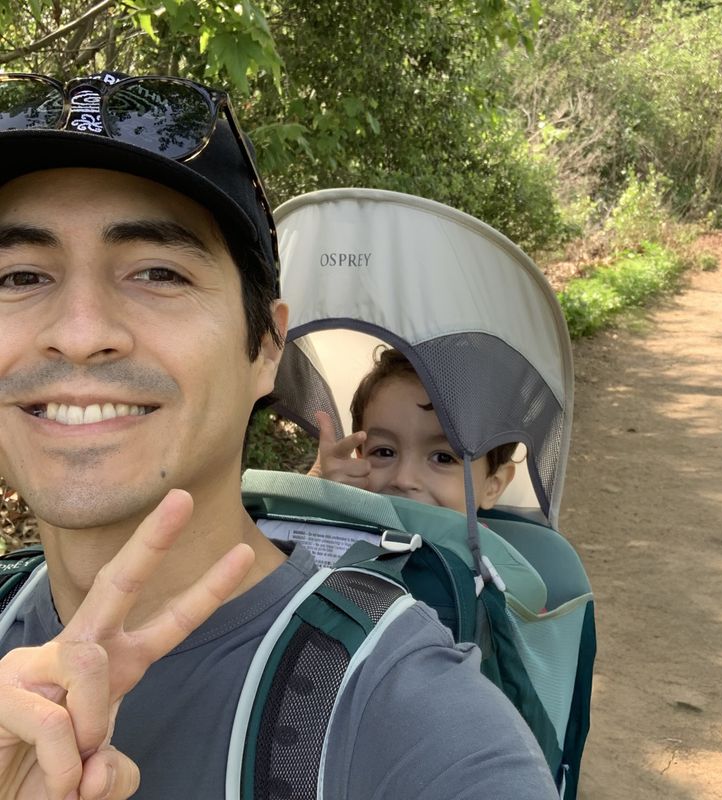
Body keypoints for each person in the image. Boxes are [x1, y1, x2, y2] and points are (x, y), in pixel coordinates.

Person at [0, 71, 558, 799]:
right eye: (16, 277)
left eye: (158, 271)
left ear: (266, 344)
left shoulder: (403, 714)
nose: (78, 335)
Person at [309, 347, 517, 513]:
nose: (404, 480)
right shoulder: (347, 533)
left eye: (443, 458)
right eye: (384, 452)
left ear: (493, 486)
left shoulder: (492, 564)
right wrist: (329, 507)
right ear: (359, 460)